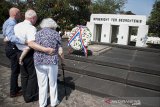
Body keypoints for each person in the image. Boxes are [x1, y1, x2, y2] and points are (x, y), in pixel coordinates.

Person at [14, 9, 54, 103]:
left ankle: (25, 94)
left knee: (24, 75)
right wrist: (46, 49)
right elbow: (31, 43)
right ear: (32, 18)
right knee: (32, 75)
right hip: (28, 53)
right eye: (36, 18)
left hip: (18, 52)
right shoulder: (31, 28)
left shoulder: (17, 26)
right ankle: (30, 96)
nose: (36, 20)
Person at [33, 18, 64, 107]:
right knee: (53, 83)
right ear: (52, 25)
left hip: (39, 61)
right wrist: (63, 61)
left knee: (42, 84)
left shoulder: (37, 33)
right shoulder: (56, 34)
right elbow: (60, 51)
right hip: (51, 61)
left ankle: (42, 104)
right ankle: (54, 102)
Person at [2, 7, 24, 98]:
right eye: (19, 13)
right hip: (13, 48)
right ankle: (13, 92)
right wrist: (23, 41)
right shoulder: (12, 23)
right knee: (15, 71)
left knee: (15, 70)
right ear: (15, 14)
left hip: (9, 47)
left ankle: (15, 87)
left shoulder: (7, 21)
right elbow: (10, 36)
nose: (20, 15)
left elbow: (5, 35)